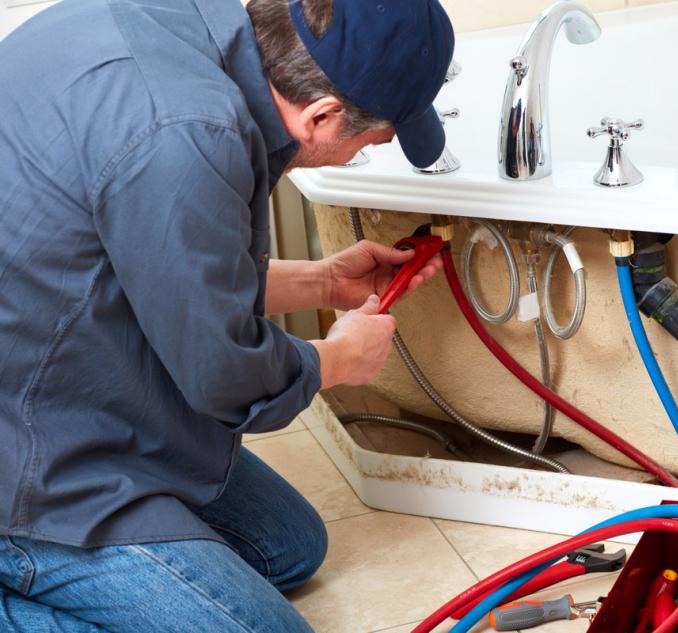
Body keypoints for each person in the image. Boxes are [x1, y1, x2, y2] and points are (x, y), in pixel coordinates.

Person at [0, 0, 454, 630]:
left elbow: (161, 272)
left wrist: (323, 282)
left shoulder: (178, 28)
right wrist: (336, 360)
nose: (359, 156)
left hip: (54, 362)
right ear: (321, 116)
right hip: (32, 455)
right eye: (370, 142)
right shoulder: (188, 132)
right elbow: (225, 375)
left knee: (288, 548)